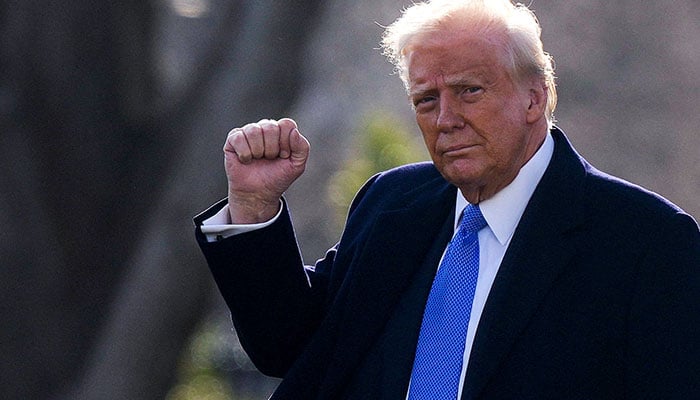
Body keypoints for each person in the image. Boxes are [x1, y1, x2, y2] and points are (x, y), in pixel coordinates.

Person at [194, 0, 700, 398]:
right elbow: (289, 348)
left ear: (535, 97)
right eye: (426, 100)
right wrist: (254, 206)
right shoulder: (391, 205)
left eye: (469, 91)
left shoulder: (647, 242)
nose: (446, 118)